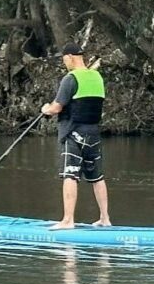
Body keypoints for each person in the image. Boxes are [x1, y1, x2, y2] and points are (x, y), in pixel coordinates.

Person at [41, 43, 109, 229]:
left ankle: (68, 220)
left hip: (73, 133)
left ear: (70, 57)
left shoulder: (70, 79)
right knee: (97, 177)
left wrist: (45, 109)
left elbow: (57, 107)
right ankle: (105, 218)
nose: (65, 64)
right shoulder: (97, 77)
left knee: (70, 175)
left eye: (64, 59)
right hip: (93, 132)